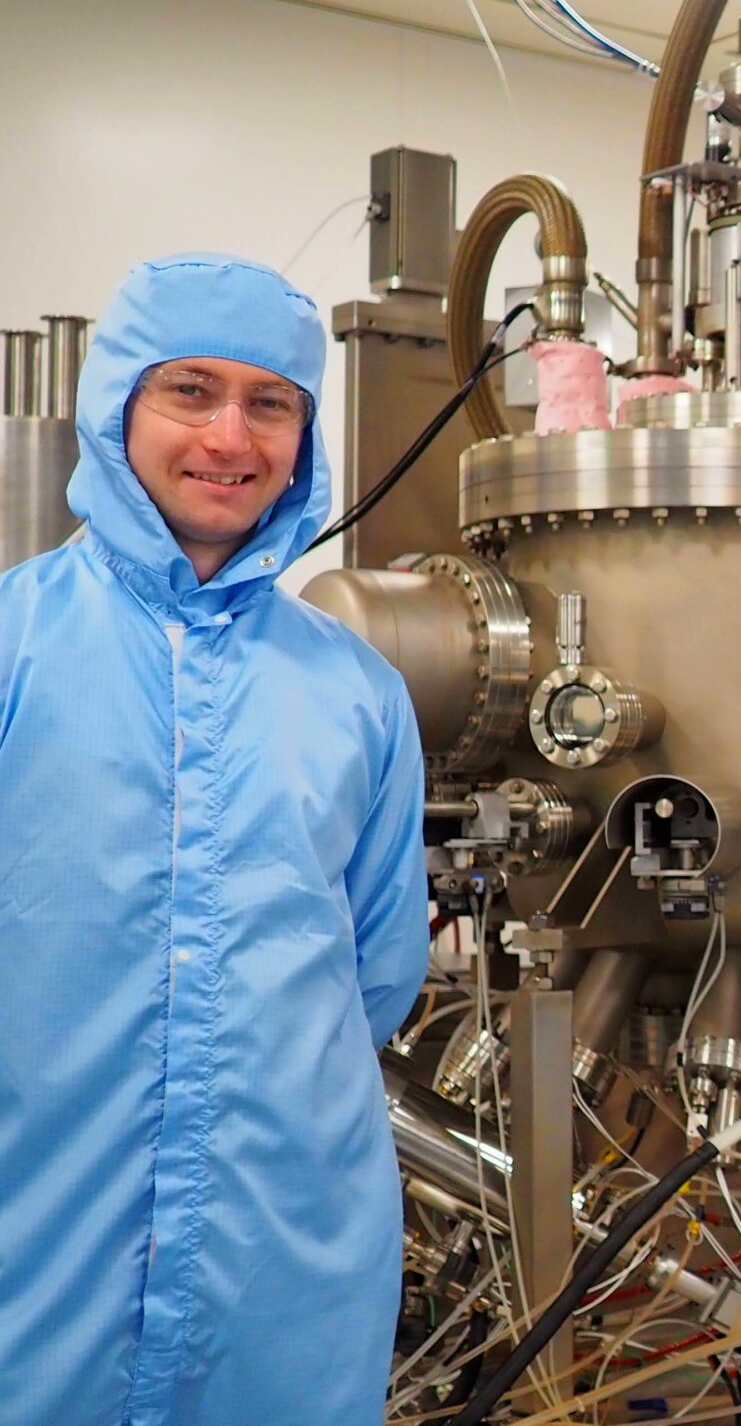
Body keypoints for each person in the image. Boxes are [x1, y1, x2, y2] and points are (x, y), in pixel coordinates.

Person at [0, 254, 429, 1425]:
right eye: (189, 391)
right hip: (38, 1242)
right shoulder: (13, 645)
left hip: (284, 1256)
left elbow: (378, 975)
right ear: (116, 407)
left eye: (270, 402)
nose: (229, 436)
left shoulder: (357, 693)